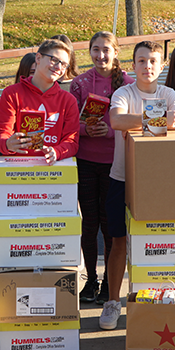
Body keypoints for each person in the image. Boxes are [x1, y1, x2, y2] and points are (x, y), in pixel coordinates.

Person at [101, 41, 175, 330]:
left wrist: (153, 121)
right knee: (118, 243)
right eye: (141, 61)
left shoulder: (168, 93)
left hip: (155, 182)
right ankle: (112, 301)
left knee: (153, 243)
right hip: (121, 178)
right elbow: (116, 120)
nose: (147, 67)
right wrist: (159, 119)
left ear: (162, 65)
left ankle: (149, 300)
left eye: (153, 61)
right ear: (133, 65)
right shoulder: (123, 92)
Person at [69, 31, 134, 306]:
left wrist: (108, 130)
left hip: (114, 164)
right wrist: (86, 129)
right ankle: (91, 280)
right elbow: (69, 123)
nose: (101, 55)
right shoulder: (80, 83)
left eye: (106, 50)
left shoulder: (127, 83)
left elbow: (130, 122)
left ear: (116, 52)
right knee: (88, 223)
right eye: (95, 50)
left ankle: (110, 280)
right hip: (85, 161)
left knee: (111, 226)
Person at [0, 38, 80, 165]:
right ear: (38, 58)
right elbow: (1, 134)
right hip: (17, 170)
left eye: (64, 64)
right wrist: (8, 144)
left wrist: (57, 152)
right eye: (54, 60)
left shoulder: (68, 100)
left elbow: (72, 141)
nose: (58, 67)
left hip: (53, 171)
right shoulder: (12, 94)